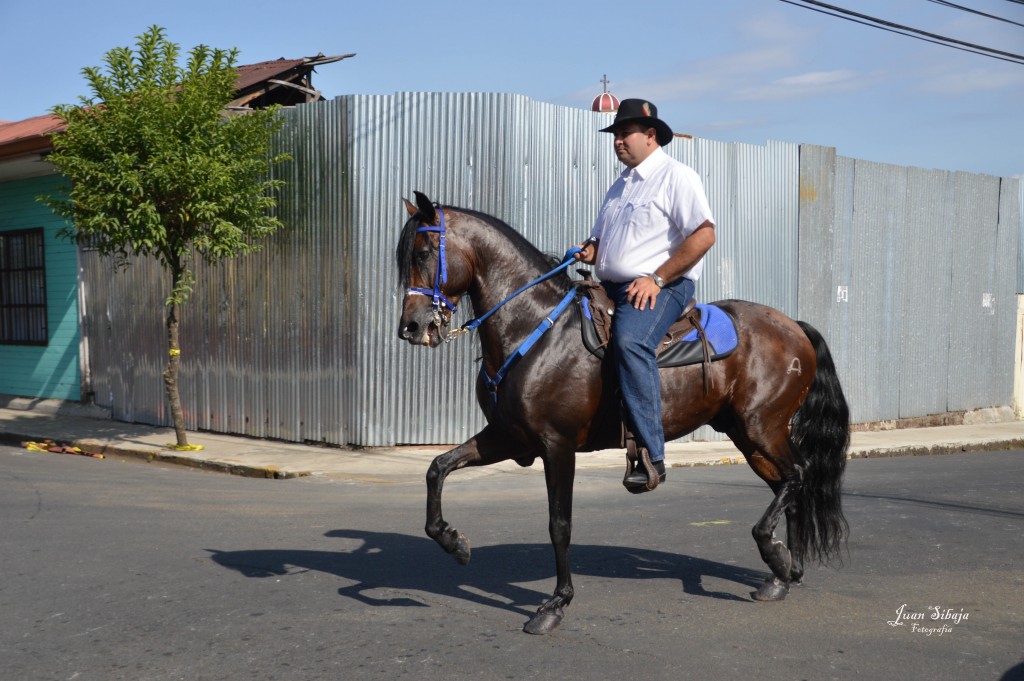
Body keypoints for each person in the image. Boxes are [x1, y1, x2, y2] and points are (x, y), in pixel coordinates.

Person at [575, 99, 716, 490]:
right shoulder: (620, 185)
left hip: (664, 285)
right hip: (613, 285)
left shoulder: (677, 177)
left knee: (630, 340)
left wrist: (656, 278)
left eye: (625, 134)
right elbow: (602, 243)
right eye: (615, 135)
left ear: (650, 136)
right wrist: (590, 250)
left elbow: (705, 235)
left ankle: (651, 454)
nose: (618, 141)